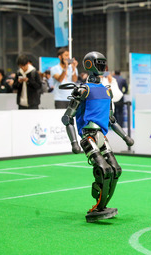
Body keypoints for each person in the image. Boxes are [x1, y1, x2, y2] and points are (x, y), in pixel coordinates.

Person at [61, 51, 133, 222]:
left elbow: (111, 119)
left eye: (103, 63)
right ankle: (98, 206)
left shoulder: (107, 91)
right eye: (98, 63)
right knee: (103, 169)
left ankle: (102, 205)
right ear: (89, 65)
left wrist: (125, 137)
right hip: (89, 136)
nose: (101, 66)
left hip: (101, 135)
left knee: (116, 170)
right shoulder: (83, 90)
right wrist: (74, 142)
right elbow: (67, 118)